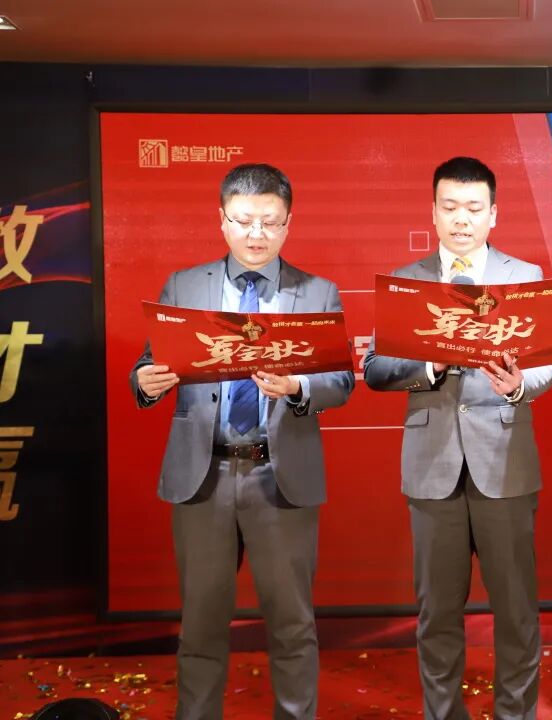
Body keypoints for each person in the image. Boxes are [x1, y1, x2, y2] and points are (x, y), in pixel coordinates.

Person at [131, 163, 355, 720]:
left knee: (292, 624)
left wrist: (298, 387)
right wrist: (144, 381)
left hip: (279, 476)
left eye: (270, 222)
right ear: (222, 220)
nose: (257, 234)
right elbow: (150, 361)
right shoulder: (185, 286)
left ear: (288, 224)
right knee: (201, 624)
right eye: (244, 220)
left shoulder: (317, 292)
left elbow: (341, 379)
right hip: (202, 475)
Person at [363, 156, 552, 720]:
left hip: (506, 461)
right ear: (433, 212)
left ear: (494, 214)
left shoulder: (523, 277)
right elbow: (375, 368)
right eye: (449, 207)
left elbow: (547, 363)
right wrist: (429, 366)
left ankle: (516, 714)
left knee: (516, 610)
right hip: (433, 466)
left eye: (473, 208)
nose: (461, 219)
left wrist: (520, 386)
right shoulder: (408, 280)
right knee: (437, 613)